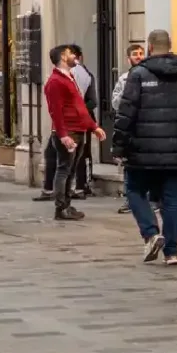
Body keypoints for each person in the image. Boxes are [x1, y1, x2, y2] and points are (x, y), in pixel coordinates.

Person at [110, 30, 177, 266]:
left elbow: (126, 113)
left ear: (150, 47)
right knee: (173, 200)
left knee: (134, 191)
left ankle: (151, 234)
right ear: (169, 46)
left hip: (143, 150)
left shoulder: (139, 74)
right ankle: (172, 252)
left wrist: (118, 147)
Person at [43, 44, 106, 221]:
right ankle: (60, 208)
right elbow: (55, 110)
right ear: (63, 57)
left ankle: (67, 205)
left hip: (78, 130)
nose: (75, 56)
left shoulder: (69, 77)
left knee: (69, 170)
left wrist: (93, 127)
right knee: (64, 169)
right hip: (68, 131)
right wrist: (63, 135)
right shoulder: (55, 82)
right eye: (71, 54)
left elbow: (79, 107)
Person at [110, 44, 146, 214]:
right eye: (135, 54)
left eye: (141, 53)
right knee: (128, 163)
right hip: (130, 127)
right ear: (128, 58)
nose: (138, 56)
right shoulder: (124, 79)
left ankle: (149, 198)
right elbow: (115, 102)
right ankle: (129, 199)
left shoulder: (150, 76)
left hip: (145, 126)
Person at [67, 44, 99, 197]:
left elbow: (93, 101)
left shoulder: (85, 75)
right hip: (71, 120)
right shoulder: (65, 75)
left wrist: (78, 110)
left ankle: (82, 184)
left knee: (82, 153)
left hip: (83, 120)